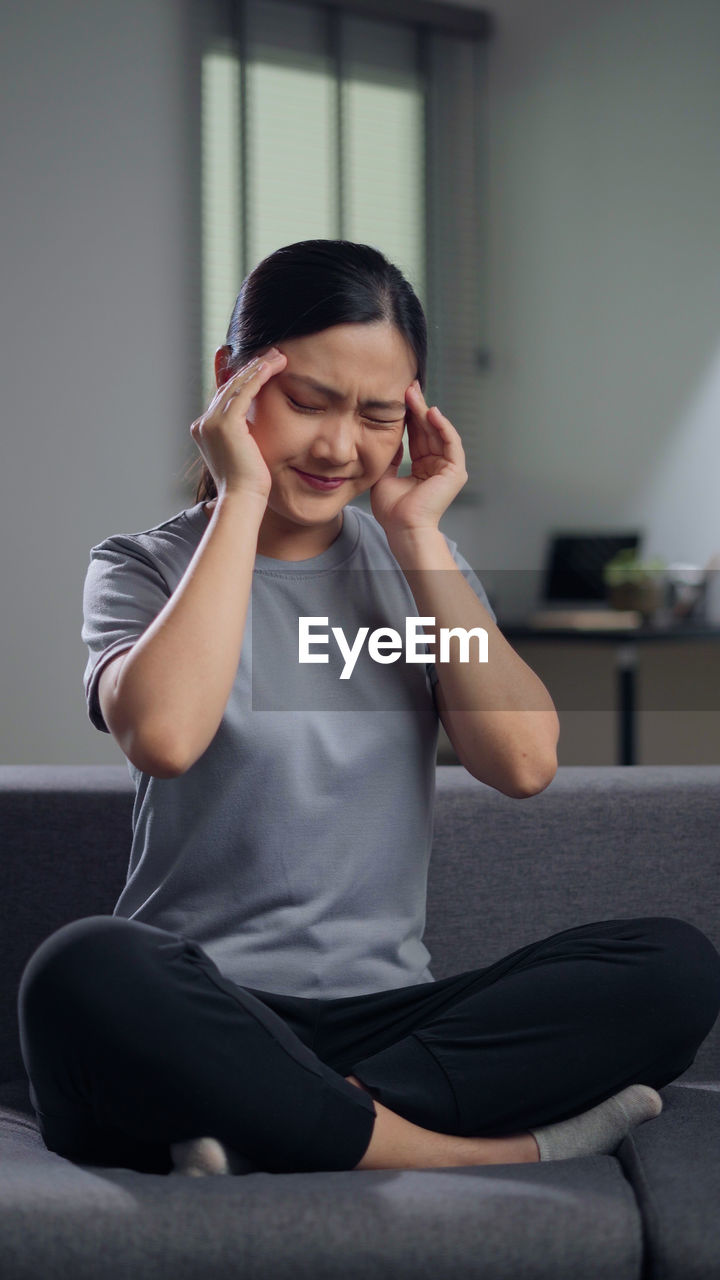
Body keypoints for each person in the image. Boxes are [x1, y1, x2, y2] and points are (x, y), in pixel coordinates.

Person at [18, 240, 720, 1178]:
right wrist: (242, 496)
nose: (339, 446)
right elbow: (167, 736)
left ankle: (289, 1121)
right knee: (81, 970)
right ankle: (465, 1149)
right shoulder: (142, 567)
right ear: (232, 380)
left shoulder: (418, 570)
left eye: (377, 414)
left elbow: (522, 764)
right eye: (307, 402)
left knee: (673, 966)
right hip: (206, 1004)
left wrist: (417, 533)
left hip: (383, 1023)